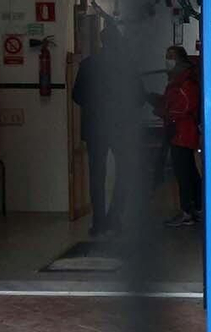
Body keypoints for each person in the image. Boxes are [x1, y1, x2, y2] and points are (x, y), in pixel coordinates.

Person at [71, 27, 129, 236]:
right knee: (127, 171)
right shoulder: (126, 65)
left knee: (96, 175)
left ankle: (98, 222)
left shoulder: (88, 65)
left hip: (95, 127)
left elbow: (76, 95)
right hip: (120, 127)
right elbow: (138, 97)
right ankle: (115, 217)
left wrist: (94, 105)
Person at [159, 46, 202, 227]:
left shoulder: (186, 82)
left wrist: (166, 112)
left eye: (171, 57)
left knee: (184, 173)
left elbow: (184, 106)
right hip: (179, 131)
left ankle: (188, 210)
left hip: (182, 132)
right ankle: (196, 207)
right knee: (189, 171)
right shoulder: (180, 80)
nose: (167, 60)